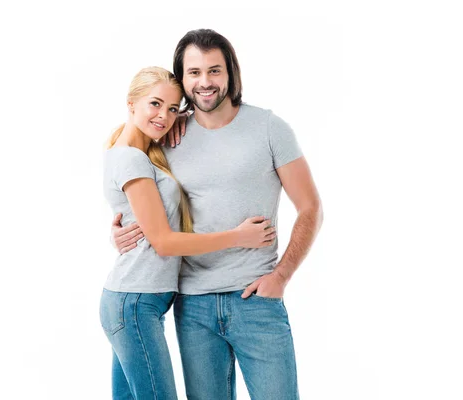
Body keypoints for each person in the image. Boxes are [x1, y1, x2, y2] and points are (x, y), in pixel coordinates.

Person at [111, 30, 323, 399]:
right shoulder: (169, 132)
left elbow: (310, 208)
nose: (205, 82)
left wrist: (281, 277)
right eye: (193, 72)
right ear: (182, 78)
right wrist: (121, 228)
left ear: (231, 74)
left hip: (256, 300)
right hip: (192, 304)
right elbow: (136, 186)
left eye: (214, 70)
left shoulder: (269, 128)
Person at [101, 66, 279, 400]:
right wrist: (238, 236)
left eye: (172, 108)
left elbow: (140, 222)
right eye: (155, 104)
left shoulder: (138, 153)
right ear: (131, 103)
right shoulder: (131, 160)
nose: (164, 116)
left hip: (133, 300)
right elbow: (165, 242)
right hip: (135, 302)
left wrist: (186, 117)